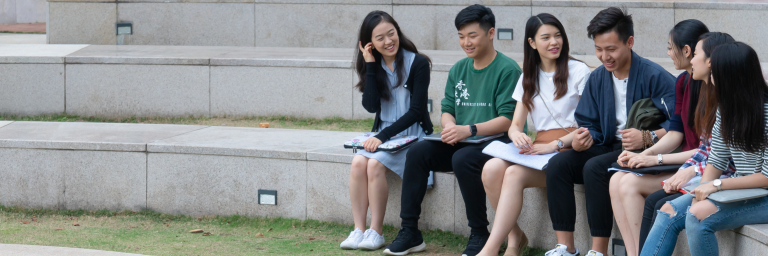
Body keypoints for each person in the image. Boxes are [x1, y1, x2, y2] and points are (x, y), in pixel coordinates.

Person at [384, 4, 522, 256]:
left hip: (495, 143)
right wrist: (449, 127)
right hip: (462, 138)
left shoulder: (508, 69)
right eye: (461, 36)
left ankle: (480, 232)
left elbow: (507, 120)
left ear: (491, 33)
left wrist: (468, 129)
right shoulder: (459, 69)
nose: (466, 42)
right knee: (417, 152)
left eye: (472, 35)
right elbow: (447, 109)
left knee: (463, 159)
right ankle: (410, 231)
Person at [543, 7, 676, 256]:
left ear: (630, 42)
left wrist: (649, 136)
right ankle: (566, 247)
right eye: (599, 49)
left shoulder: (655, 76)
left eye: (611, 49)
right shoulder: (598, 78)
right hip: (606, 144)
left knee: (595, 168)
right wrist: (585, 138)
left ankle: (598, 250)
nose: (605, 57)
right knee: (559, 164)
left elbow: (679, 123)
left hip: (644, 150)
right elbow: (587, 121)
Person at [476, 13, 590, 256]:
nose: (554, 42)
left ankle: (491, 249)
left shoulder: (579, 70)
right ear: (532, 43)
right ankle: (514, 236)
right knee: (491, 169)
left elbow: (588, 126)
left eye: (557, 35)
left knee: (514, 174)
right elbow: (515, 124)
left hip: (569, 148)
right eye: (546, 37)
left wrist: (555, 145)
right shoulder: (528, 76)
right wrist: (517, 135)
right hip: (538, 149)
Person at [642, 42, 768, 256]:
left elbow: (766, 178)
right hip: (743, 189)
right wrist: (702, 190)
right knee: (668, 211)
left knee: (698, 216)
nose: (710, 77)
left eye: (714, 72)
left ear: (730, 76)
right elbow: (717, 161)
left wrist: (716, 186)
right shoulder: (726, 109)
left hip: (764, 195)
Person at [607, 19, 709, 256]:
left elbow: (710, 150)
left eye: (670, 47)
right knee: (616, 179)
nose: (668, 53)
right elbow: (676, 132)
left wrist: (656, 159)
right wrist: (644, 155)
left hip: (697, 168)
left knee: (629, 183)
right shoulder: (683, 82)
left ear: (687, 50)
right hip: (685, 162)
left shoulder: (711, 89)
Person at [340, 10, 433, 251]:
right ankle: (359, 229)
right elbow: (371, 106)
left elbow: (416, 111)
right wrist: (370, 66)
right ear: (369, 44)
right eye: (379, 38)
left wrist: (382, 137)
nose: (388, 41)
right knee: (358, 163)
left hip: (412, 135)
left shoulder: (418, 63)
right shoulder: (374, 65)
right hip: (383, 136)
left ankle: (376, 231)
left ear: (398, 32)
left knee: (374, 164)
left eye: (391, 34)